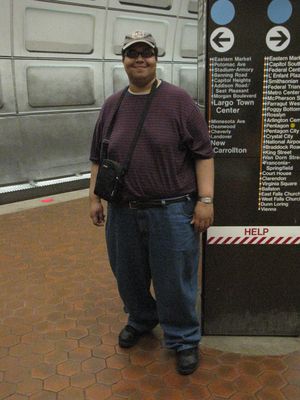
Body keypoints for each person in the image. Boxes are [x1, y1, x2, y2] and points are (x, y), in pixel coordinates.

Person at [89, 31, 214, 375]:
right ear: (124, 60)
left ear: (157, 58)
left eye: (146, 53)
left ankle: (183, 338)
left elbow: (203, 154)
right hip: (123, 212)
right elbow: (98, 157)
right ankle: (142, 319)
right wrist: (94, 198)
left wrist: (205, 200)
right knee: (127, 274)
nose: (139, 59)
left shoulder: (179, 101)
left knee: (174, 277)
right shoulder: (113, 105)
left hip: (172, 210)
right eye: (133, 53)